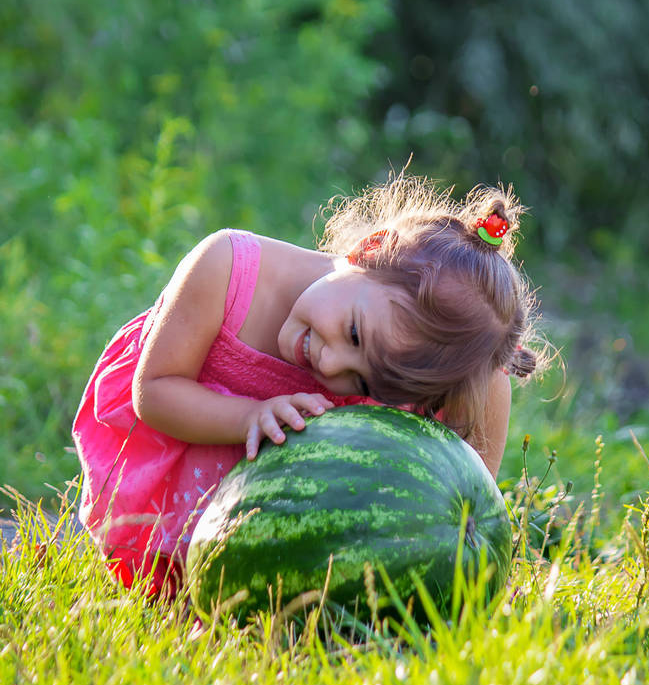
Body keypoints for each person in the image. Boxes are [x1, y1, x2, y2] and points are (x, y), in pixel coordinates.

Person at [72, 174, 541, 596]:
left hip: (308, 561)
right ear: (371, 248)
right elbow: (153, 391)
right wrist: (248, 417)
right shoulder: (228, 268)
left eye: (361, 381)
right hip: (179, 492)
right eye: (355, 333)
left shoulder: (460, 378)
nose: (332, 364)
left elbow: (466, 500)